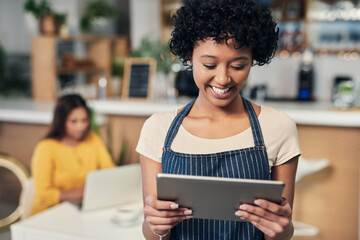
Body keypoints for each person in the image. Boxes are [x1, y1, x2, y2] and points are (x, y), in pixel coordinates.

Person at [136, 0, 301, 239]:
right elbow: (152, 233)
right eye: (209, 64)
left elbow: (281, 233)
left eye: (238, 65)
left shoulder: (278, 127)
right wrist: (157, 226)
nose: (223, 79)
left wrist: (281, 228)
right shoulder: (158, 129)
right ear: (189, 56)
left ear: (253, 60)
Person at [31, 94, 114, 215]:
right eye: (73, 121)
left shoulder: (93, 139)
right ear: (61, 121)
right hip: (47, 214)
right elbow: (44, 194)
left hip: (80, 210)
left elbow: (109, 170)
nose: (80, 126)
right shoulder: (46, 147)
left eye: (84, 120)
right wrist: (85, 192)